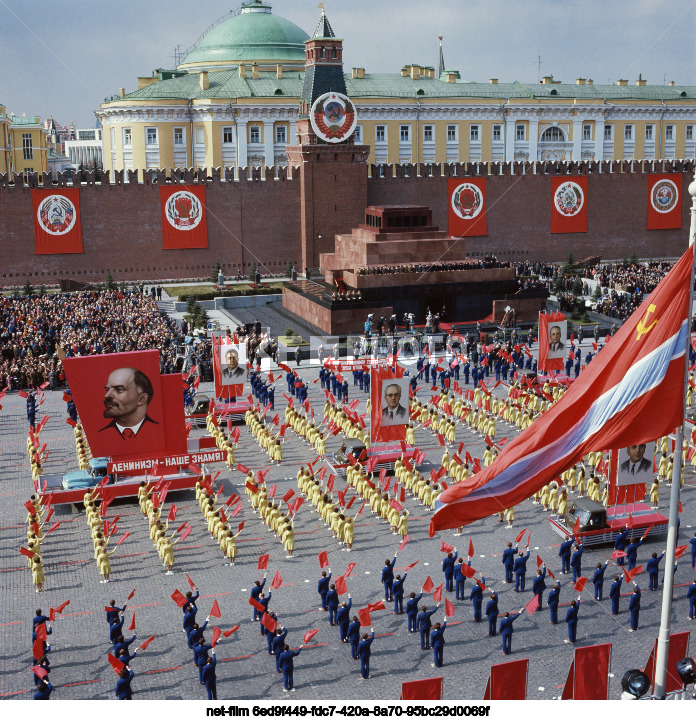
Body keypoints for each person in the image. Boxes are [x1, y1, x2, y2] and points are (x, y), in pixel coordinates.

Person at [100, 367, 159, 441]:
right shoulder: (101, 436)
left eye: (119, 389)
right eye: (107, 389)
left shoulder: (157, 432)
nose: (107, 395)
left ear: (142, 399)